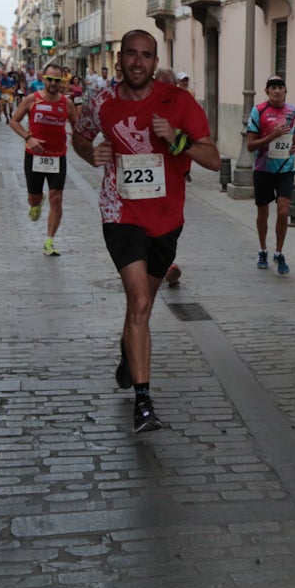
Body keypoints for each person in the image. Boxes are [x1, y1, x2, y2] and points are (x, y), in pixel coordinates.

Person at [71, 29, 220, 432]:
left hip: (167, 219)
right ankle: (144, 403)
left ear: (156, 62)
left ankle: (128, 354)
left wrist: (177, 139)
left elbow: (214, 159)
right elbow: (80, 136)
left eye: (147, 55)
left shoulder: (179, 102)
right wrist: (91, 153)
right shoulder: (100, 101)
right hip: (119, 211)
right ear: (120, 59)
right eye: (131, 55)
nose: (138, 62)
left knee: (144, 305)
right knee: (138, 300)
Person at [9, 63, 74, 256]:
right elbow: (14, 121)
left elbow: (78, 127)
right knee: (33, 199)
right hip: (34, 157)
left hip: (58, 157)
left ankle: (49, 241)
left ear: (62, 81)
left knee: (57, 198)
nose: (53, 83)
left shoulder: (67, 103)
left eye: (57, 80)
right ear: (43, 78)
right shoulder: (31, 100)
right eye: (50, 79)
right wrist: (29, 138)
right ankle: (36, 202)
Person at [244, 75, 295, 275]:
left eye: (280, 87)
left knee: (283, 211)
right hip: (263, 169)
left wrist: (294, 146)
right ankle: (262, 249)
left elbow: (294, 137)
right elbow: (250, 145)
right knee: (263, 213)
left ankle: (278, 252)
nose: (277, 91)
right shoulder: (258, 111)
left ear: (285, 91)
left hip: (285, 168)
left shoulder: (293, 111)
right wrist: (271, 137)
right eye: (273, 88)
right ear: (267, 91)